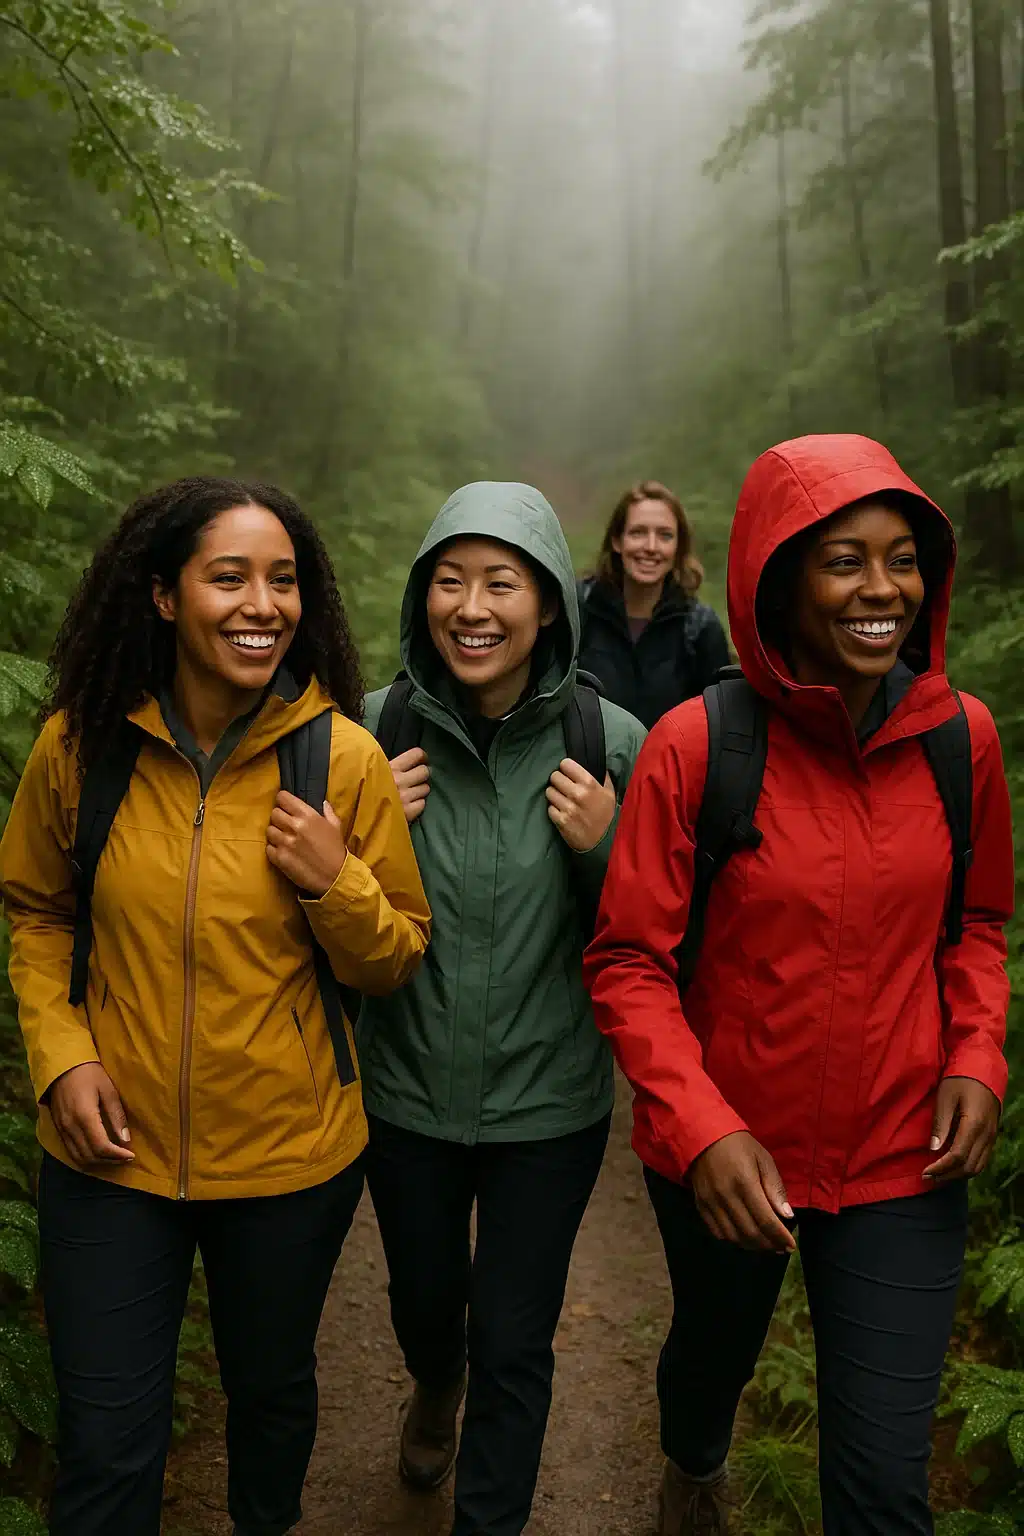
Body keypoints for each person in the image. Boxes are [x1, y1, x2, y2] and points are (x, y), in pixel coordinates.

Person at [584, 436, 1014, 1536]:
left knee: (879, 1486)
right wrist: (702, 1130)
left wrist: (975, 1053)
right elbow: (629, 960)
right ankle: (692, 1462)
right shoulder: (700, 743)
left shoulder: (959, 742)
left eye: (903, 558)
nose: (882, 589)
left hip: (900, 1160)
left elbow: (973, 926)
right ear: (777, 579)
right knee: (708, 1368)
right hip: (729, 1156)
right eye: (843, 561)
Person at [0, 476, 431, 1536]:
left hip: (289, 1159)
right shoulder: (82, 747)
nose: (261, 604)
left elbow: (393, 961)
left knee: (272, 1402)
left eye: (282, 581)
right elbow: (36, 910)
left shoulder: (344, 760)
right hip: (110, 1157)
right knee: (106, 1446)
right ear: (161, 596)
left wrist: (336, 881)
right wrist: (63, 1058)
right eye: (227, 577)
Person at [356, 481, 646, 1536]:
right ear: (420, 597)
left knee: (514, 1342)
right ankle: (434, 1383)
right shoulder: (369, 737)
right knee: (424, 1309)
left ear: (547, 607)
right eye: (449, 580)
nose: (471, 607)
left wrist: (608, 844)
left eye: (500, 582)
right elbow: (315, 930)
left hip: (549, 1107)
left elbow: (659, 942)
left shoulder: (609, 741)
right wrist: (358, 838)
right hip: (403, 1093)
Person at [577, 479, 730, 728]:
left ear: (678, 547)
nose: (650, 547)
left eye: (665, 536)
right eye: (638, 532)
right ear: (617, 541)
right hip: (584, 766)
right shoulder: (579, 610)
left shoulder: (700, 628)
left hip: (670, 766)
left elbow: (720, 725)